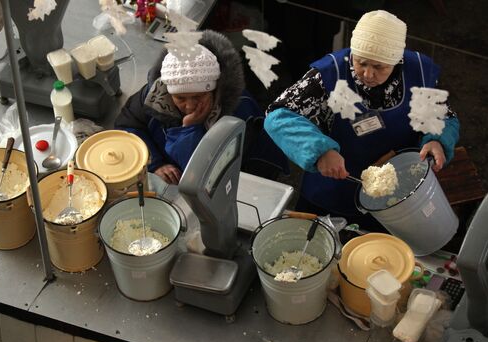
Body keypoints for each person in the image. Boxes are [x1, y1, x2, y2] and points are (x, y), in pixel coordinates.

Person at [264, 10, 460, 229]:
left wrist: (437, 139)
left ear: (396, 61)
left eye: (379, 67)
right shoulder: (329, 75)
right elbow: (278, 116)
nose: (367, 74)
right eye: (361, 63)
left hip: (399, 193)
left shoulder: (419, 73)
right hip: (334, 187)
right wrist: (318, 151)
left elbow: (442, 116)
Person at [115, 30, 288, 184]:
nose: (189, 106)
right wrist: (154, 163)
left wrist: (189, 128)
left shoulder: (239, 113)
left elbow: (205, 176)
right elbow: (128, 126)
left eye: (198, 96)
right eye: (180, 98)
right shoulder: (155, 95)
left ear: (213, 89)